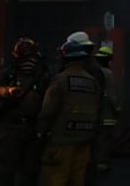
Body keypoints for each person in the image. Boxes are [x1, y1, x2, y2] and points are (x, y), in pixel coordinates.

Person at [36, 32, 102, 186]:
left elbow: (48, 110)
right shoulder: (92, 81)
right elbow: (98, 107)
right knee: (77, 179)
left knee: (55, 178)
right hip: (85, 139)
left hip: (61, 140)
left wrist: (40, 131)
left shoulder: (61, 80)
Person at [0, 37, 48, 186]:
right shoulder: (9, 74)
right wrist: (8, 91)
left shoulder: (43, 76)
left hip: (33, 128)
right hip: (11, 127)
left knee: (30, 172)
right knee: (6, 171)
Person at [89, 45, 119, 178]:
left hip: (94, 111)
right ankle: (102, 163)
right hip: (107, 112)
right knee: (105, 138)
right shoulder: (108, 73)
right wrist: (117, 108)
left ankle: (93, 162)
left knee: (96, 138)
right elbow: (111, 94)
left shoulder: (92, 72)